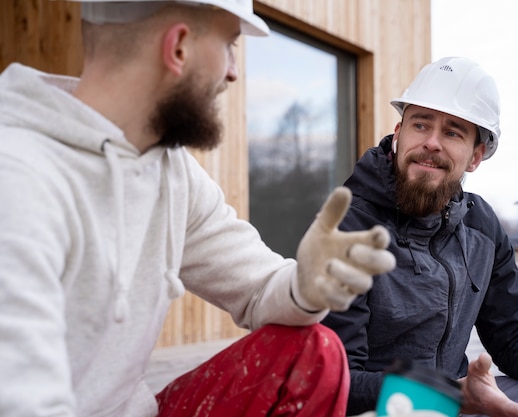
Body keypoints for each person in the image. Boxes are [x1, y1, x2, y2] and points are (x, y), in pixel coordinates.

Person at [0, 1, 396, 416]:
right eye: (228, 44)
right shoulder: (19, 176)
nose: (233, 72)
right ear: (179, 47)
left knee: (315, 351)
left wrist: (305, 285)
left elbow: (259, 288)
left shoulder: (170, 171)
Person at [321, 56, 518, 417]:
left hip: (461, 397)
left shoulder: (480, 224)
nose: (431, 142)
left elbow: (515, 337)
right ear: (399, 134)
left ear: (475, 157)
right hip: (384, 407)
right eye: (421, 125)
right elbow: (338, 382)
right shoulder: (347, 225)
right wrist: (447, 395)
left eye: (452, 132)